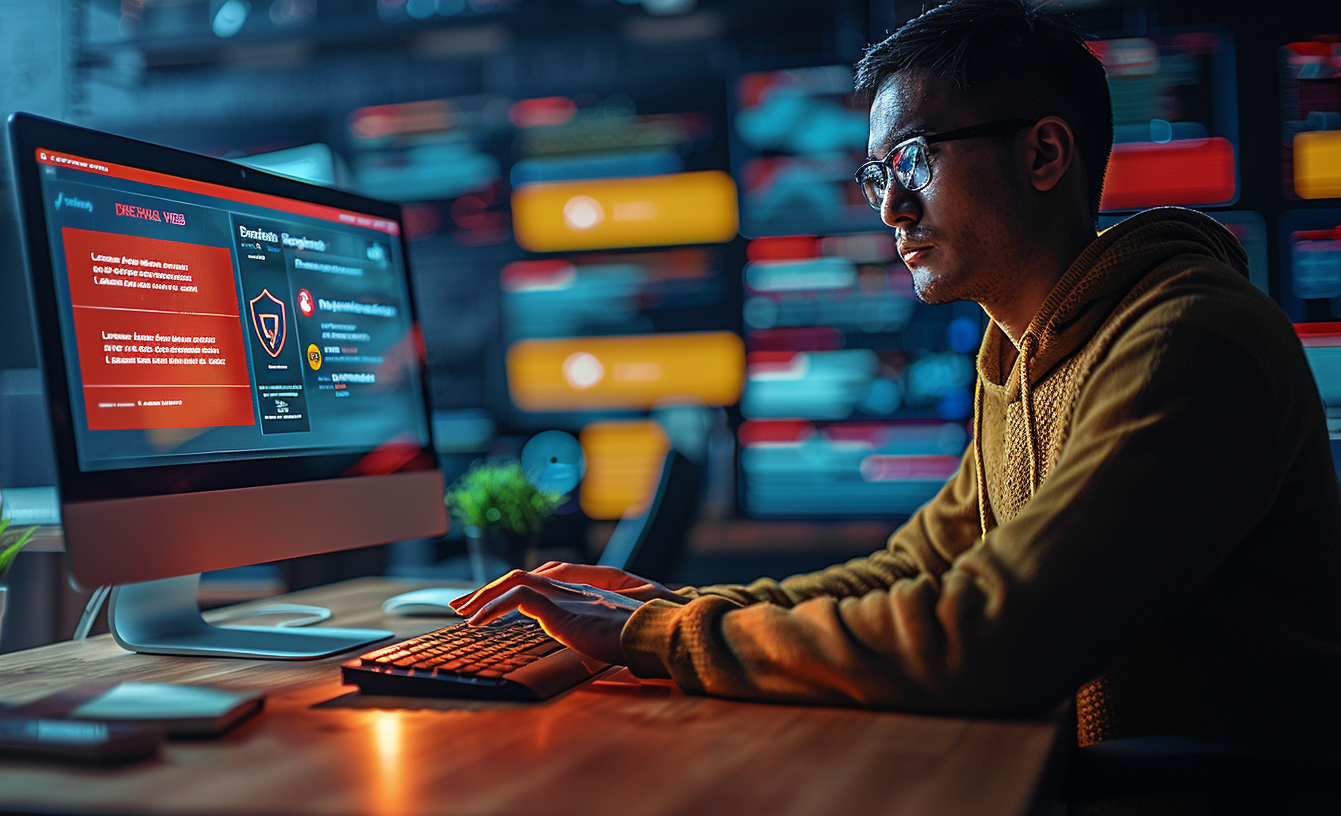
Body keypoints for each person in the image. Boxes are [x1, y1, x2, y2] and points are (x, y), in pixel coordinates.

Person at [455, 0, 1341, 752]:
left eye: (915, 158)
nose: (888, 207)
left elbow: (994, 635)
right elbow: (908, 570)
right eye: (879, 173)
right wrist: (679, 605)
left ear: (1044, 155)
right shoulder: (1020, 358)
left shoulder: (1188, 341)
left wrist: (661, 634)